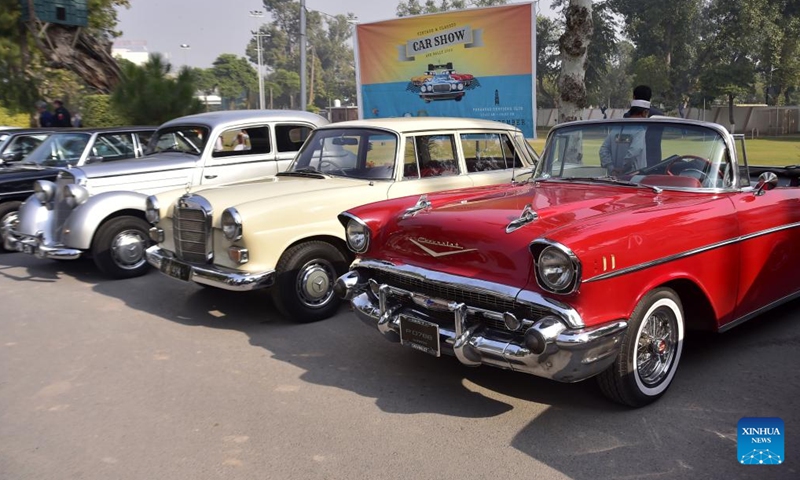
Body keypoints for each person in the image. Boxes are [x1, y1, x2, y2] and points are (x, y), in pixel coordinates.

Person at [600, 100, 649, 176]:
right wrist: (623, 168)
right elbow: (633, 152)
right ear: (644, 113)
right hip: (634, 176)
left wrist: (611, 168)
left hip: (614, 177)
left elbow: (603, 150)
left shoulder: (616, 129)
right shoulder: (639, 130)